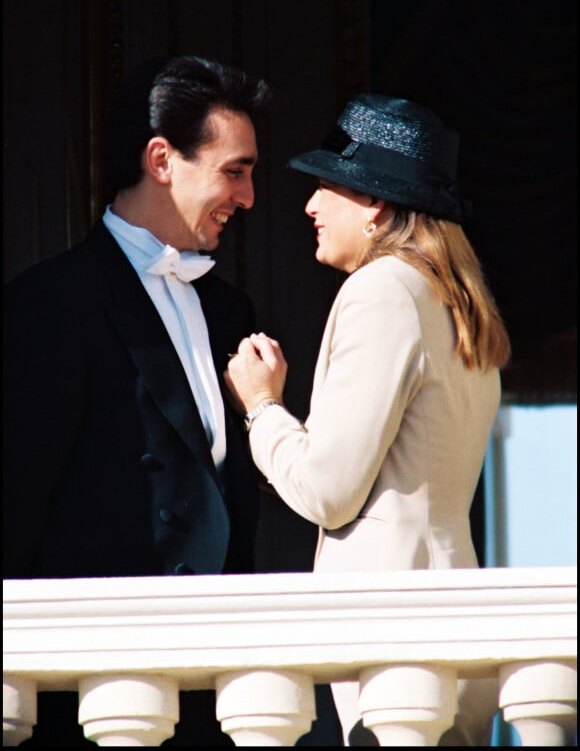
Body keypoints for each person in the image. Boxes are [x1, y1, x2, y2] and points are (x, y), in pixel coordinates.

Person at [224, 93, 511, 747]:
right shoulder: (455, 301)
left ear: (376, 203)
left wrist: (262, 407)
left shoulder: (384, 289)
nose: (310, 206)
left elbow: (329, 489)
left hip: (400, 645)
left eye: (327, 185)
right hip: (453, 627)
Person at [3, 54, 271, 746]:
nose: (247, 197)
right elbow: (18, 509)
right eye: (234, 171)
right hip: (95, 694)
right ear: (161, 159)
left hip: (213, 691)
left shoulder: (230, 310)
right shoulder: (48, 305)